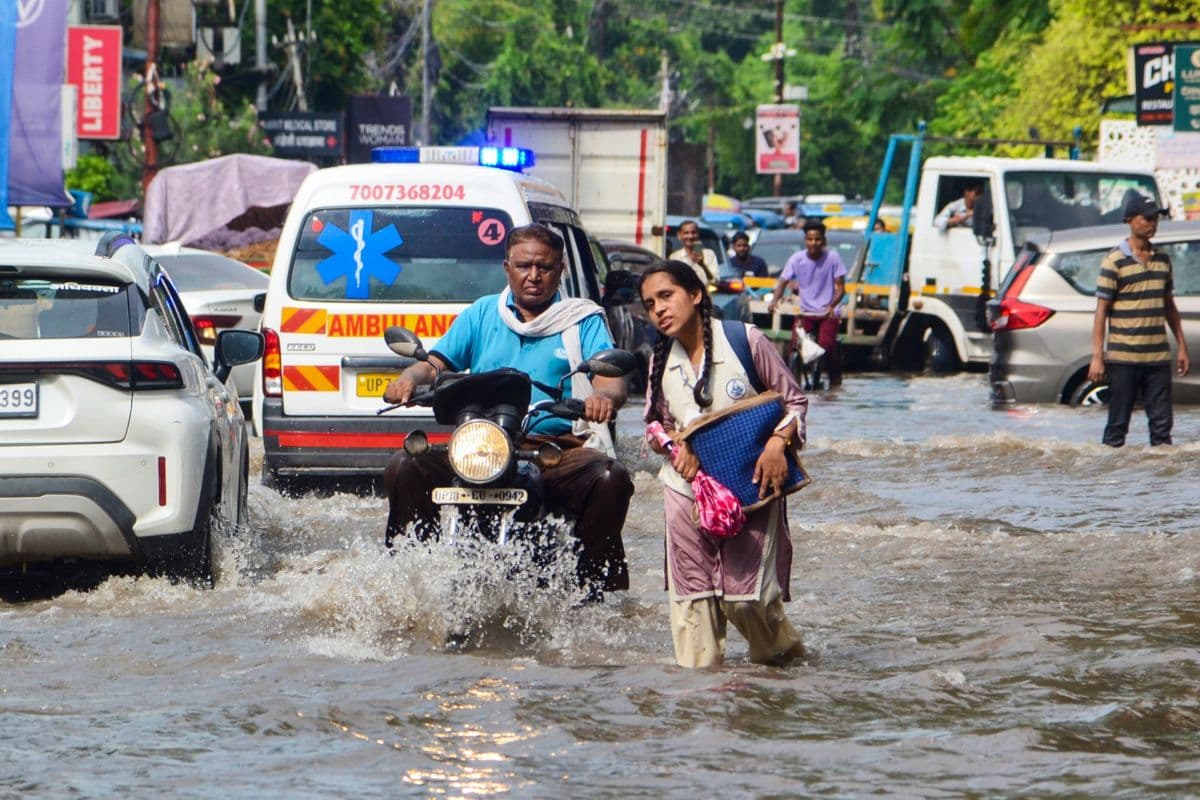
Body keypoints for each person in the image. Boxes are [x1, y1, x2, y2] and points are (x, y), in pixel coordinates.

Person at [381, 223, 634, 599]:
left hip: (552, 447)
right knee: (406, 465)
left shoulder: (581, 318)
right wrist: (408, 377)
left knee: (610, 478)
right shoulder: (483, 313)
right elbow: (437, 363)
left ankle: (592, 586)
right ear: (507, 268)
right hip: (481, 445)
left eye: (544, 267)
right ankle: (408, 574)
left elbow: (611, 380)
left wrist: (604, 399)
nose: (533, 276)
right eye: (524, 265)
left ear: (560, 270)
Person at [640, 259, 809, 668]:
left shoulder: (745, 340)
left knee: (747, 600)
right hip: (686, 488)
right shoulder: (659, 360)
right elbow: (653, 423)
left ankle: (784, 670)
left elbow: (795, 402)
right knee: (692, 604)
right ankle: (700, 704)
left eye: (667, 296)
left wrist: (775, 445)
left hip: (751, 482)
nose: (659, 309)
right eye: (649, 304)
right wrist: (675, 449)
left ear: (695, 295)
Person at [1087, 194, 1190, 447]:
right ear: (1130, 220)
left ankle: (1158, 484)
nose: (1152, 224)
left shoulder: (1163, 260)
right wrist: (1097, 356)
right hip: (1124, 359)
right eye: (1147, 218)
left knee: (1162, 428)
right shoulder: (1114, 261)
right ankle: (1112, 481)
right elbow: (1101, 310)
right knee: (1117, 426)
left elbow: (1169, 306)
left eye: (1155, 219)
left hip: (1157, 358)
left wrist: (1182, 347)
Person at [767, 219, 846, 387]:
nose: (814, 243)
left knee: (827, 346)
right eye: (810, 239)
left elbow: (840, 288)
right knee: (794, 348)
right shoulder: (797, 259)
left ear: (823, 240)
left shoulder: (833, 258)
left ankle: (835, 382)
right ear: (805, 240)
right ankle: (792, 385)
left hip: (827, 312)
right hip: (806, 312)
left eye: (817, 239)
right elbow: (782, 282)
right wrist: (774, 301)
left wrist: (831, 306)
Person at [668, 219, 719, 285]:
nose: (690, 236)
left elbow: (715, 281)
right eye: (686, 233)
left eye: (693, 233)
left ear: (698, 234)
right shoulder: (675, 257)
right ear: (679, 236)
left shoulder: (708, 254)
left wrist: (702, 265)